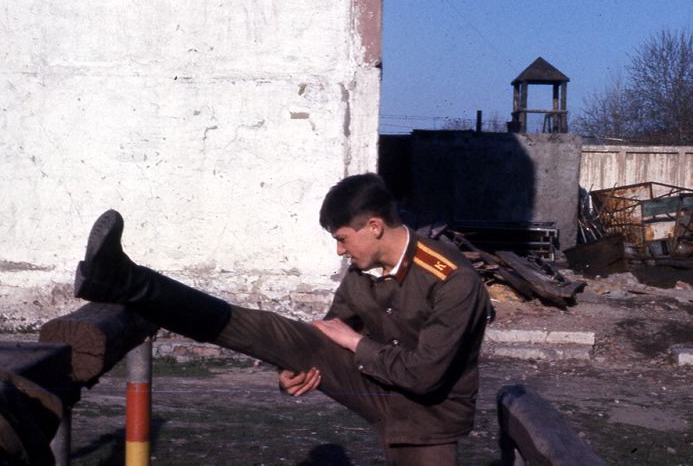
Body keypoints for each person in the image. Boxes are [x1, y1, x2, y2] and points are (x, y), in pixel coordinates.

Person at [74, 173, 490, 465]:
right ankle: (124, 280)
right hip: (377, 384)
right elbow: (328, 332)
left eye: (342, 239)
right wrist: (292, 367)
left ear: (374, 226)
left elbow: (424, 376)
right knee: (276, 331)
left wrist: (353, 343)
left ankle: (122, 280)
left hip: (428, 412)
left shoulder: (454, 281)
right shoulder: (363, 268)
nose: (340, 251)